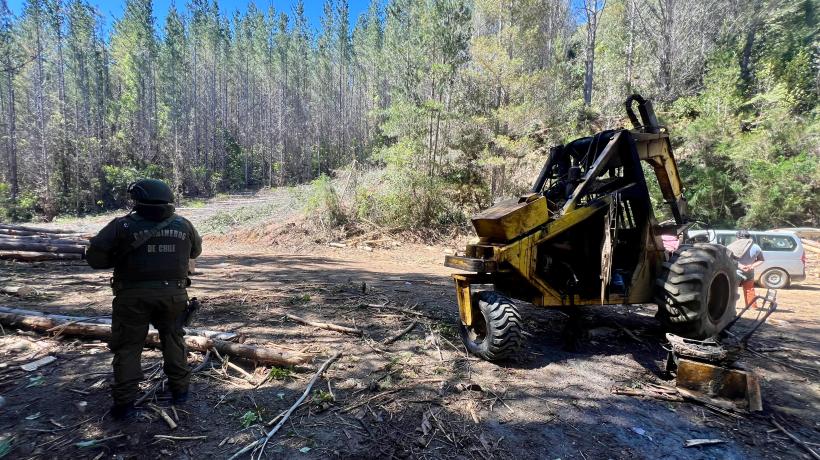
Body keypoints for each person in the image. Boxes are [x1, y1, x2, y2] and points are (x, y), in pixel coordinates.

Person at [85, 179, 202, 420]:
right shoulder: (184, 225)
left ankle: (124, 404)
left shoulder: (122, 226)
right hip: (174, 295)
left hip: (132, 298)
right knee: (174, 340)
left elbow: (95, 259)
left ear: (137, 201)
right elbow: (195, 251)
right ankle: (180, 392)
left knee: (128, 347)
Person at [726, 230, 764, 307]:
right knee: (749, 289)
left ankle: (729, 307)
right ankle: (752, 306)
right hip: (749, 272)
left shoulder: (731, 246)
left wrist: (740, 266)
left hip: (735, 272)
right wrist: (751, 266)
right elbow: (761, 260)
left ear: (737, 238)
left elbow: (728, 259)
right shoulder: (756, 247)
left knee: (731, 289)